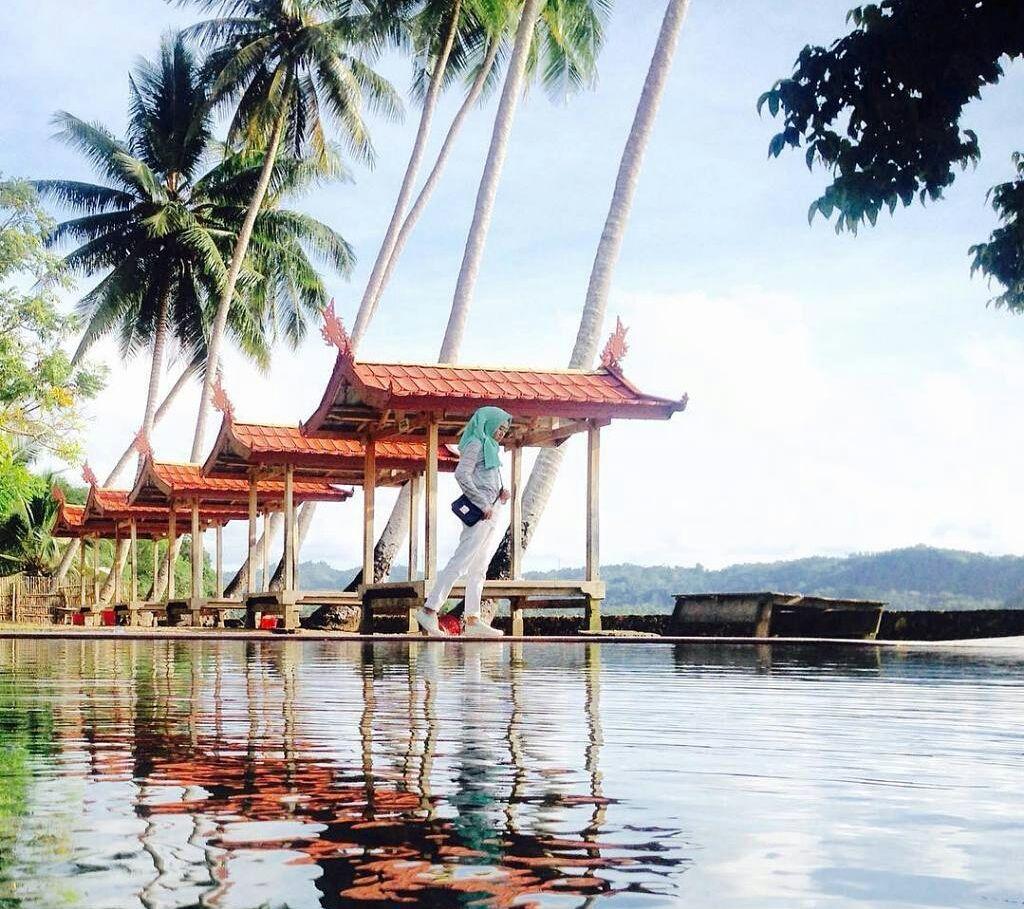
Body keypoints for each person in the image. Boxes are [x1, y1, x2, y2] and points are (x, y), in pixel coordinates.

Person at [417, 406, 512, 638]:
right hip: (480, 514)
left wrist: (501, 493)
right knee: (460, 563)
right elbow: (462, 474)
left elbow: (484, 479)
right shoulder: (476, 444)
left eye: (504, 429)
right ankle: (429, 610)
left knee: (479, 569)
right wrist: (482, 502)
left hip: (492, 513)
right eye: (499, 427)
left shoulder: (491, 447)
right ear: (488, 424)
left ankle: (472, 620)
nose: (501, 433)